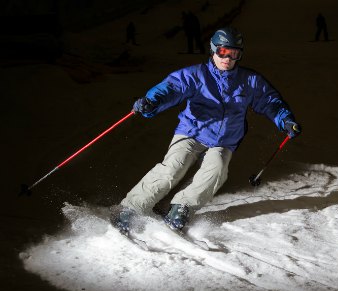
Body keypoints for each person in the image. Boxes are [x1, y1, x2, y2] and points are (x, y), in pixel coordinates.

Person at [111, 27, 301, 234]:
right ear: (213, 50)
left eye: (234, 54)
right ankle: (131, 207)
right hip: (192, 132)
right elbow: (172, 88)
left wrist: (286, 121)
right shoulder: (196, 74)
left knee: (217, 168)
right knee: (174, 166)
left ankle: (182, 206)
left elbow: (270, 101)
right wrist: (152, 101)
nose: (227, 58)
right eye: (222, 52)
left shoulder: (250, 81)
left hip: (225, 140)